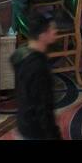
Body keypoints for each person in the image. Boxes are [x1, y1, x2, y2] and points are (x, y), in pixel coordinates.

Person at [11, 10, 62, 140]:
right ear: (42, 35)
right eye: (52, 29)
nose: (55, 31)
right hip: (36, 131)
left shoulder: (20, 54)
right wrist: (54, 135)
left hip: (23, 122)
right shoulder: (39, 68)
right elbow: (43, 108)